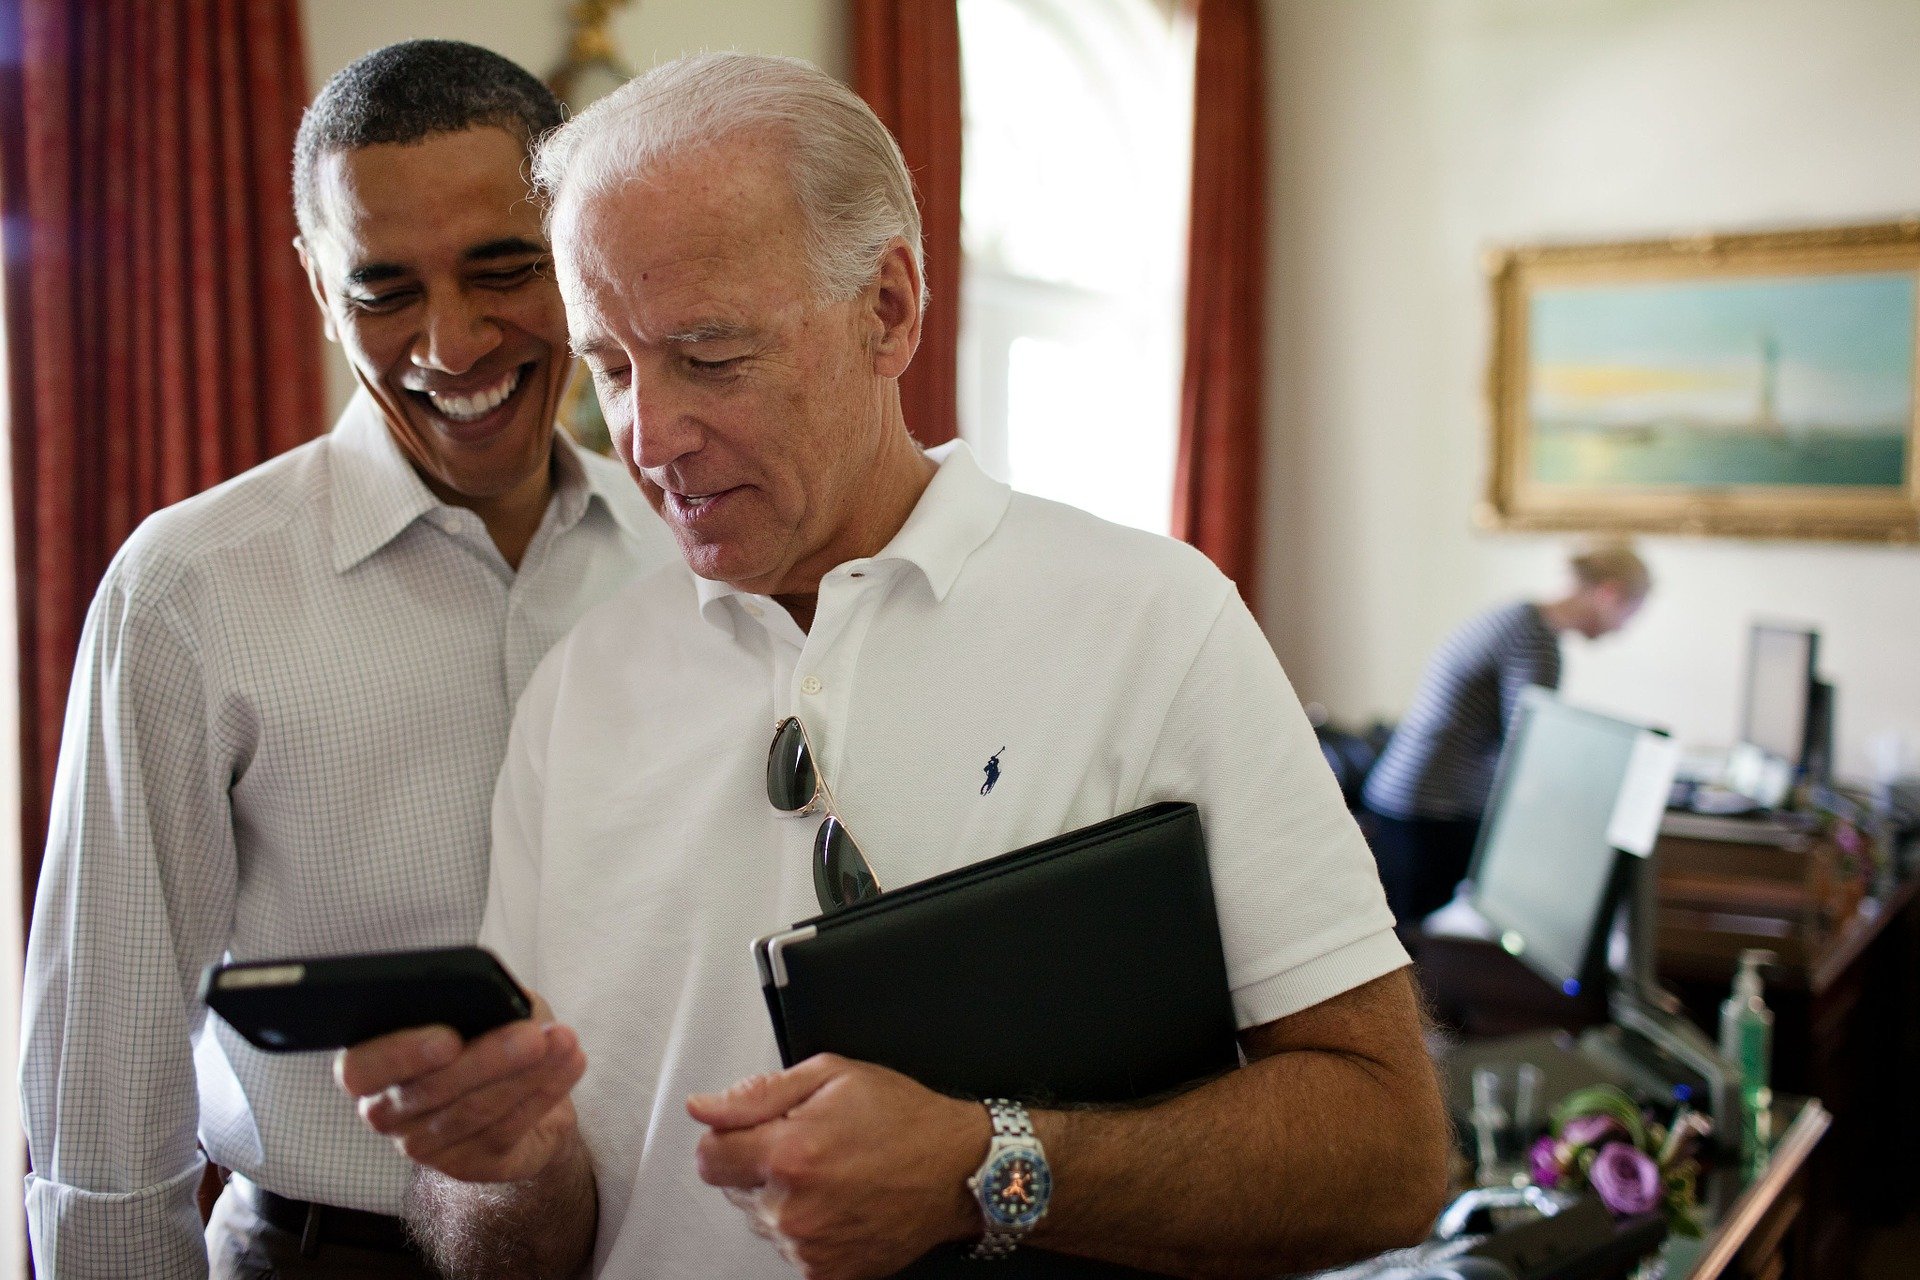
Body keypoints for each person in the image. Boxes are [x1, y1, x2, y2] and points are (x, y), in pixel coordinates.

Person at [335, 52, 1449, 1280]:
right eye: (610, 366)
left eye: (709, 354)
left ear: (890, 309)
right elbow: (513, 1248)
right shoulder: (576, 695)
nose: (649, 436)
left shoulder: (1153, 620)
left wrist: (989, 1167)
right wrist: (504, 1164)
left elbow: (1391, 1156)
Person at [20, 40, 675, 1279]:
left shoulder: (683, 564)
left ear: (580, 252)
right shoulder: (187, 590)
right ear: (318, 287)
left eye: (503, 270)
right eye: (384, 289)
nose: (454, 341)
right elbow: (101, 1088)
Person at [1361, 542, 1651, 927]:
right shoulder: (1534, 639)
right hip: (1430, 809)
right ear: (1609, 593)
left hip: (1409, 798)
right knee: (1421, 945)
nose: (1622, 630)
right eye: (1628, 615)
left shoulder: (1520, 619)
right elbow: (1532, 749)